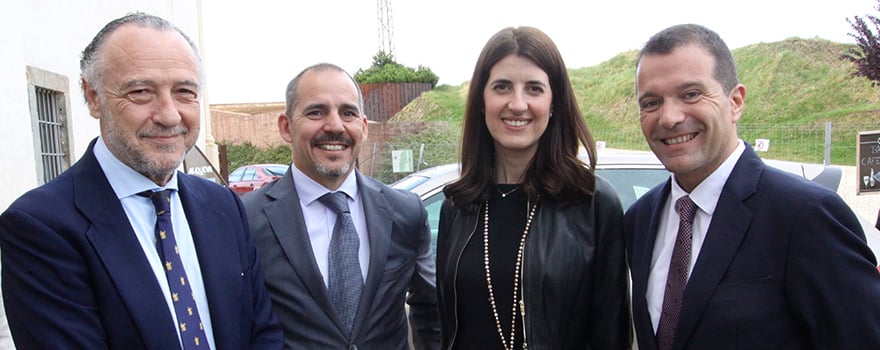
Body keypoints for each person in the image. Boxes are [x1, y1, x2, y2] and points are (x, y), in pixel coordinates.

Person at [0, 13, 283, 349]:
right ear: (93, 97)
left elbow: (262, 334)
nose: (169, 115)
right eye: (141, 92)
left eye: (184, 92)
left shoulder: (224, 206)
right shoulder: (41, 226)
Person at [626, 23, 880, 349]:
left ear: (736, 102)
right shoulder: (640, 219)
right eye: (651, 102)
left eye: (691, 94)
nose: (669, 117)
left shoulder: (805, 216)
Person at [436, 26, 631, 349]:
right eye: (502, 87)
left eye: (534, 89)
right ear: (482, 101)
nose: (517, 104)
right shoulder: (457, 206)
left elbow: (610, 335)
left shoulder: (592, 202)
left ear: (554, 103)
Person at [241, 63, 441, 349]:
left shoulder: (405, 212)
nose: (335, 126)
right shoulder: (247, 220)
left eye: (348, 113)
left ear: (363, 126)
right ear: (286, 126)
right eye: (316, 112)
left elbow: (430, 313)